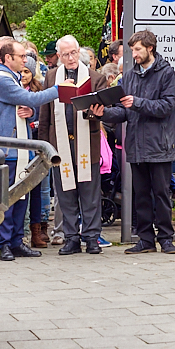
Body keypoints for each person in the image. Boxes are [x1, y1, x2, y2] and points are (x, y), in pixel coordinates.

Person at [99, 31, 175, 255]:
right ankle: (145, 239)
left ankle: (166, 238)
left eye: (137, 50)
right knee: (141, 194)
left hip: (161, 145)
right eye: (132, 50)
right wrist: (102, 113)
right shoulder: (130, 75)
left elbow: (167, 107)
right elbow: (123, 112)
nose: (133, 54)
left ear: (150, 48)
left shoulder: (166, 73)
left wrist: (137, 103)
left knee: (162, 194)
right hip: (136, 144)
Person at [0, 40, 63, 261]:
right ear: (8, 58)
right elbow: (30, 98)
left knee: (22, 198)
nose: (25, 60)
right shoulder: (2, 79)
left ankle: (17, 241)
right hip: (8, 150)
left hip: (20, 148)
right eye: (21, 56)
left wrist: (30, 112)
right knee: (9, 199)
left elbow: (24, 105)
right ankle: (4, 244)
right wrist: (58, 90)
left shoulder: (12, 77)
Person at [40, 35, 110, 255]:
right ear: (58, 56)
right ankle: (71, 237)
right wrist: (44, 146)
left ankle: (91, 237)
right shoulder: (51, 77)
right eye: (65, 54)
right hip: (60, 141)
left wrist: (92, 109)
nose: (70, 58)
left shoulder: (95, 77)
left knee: (89, 191)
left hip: (86, 141)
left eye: (73, 53)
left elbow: (103, 111)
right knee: (65, 191)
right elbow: (45, 114)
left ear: (79, 52)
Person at [20, 57, 50, 249]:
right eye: (21, 71)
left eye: (27, 72)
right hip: (18, 146)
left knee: (38, 190)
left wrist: (33, 118)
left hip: (36, 146)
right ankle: (19, 232)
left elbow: (42, 119)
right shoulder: (12, 88)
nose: (23, 76)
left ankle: (37, 231)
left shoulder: (38, 93)